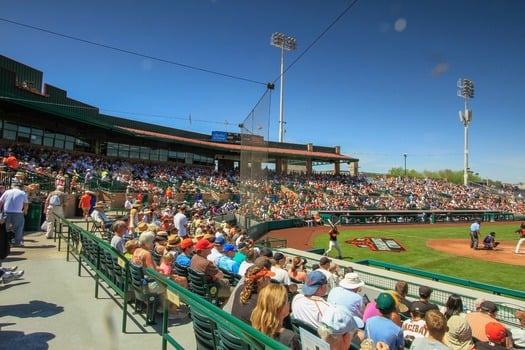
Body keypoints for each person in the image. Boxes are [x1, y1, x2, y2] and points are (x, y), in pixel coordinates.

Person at [250, 283, 301, 350]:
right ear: (280, 307)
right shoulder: (291, 338)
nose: (288, 303)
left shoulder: (254, 328)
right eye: (287, 300)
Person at [0, 183, 29, 247]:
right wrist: (25, 211)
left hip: (6, 212)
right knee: (18, 228)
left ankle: (5, 242)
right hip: (18, 212)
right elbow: (26, 203)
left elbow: (1, 202)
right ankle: (17, 242)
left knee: (5, 228)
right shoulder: (22, 193)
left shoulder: (7, 192)